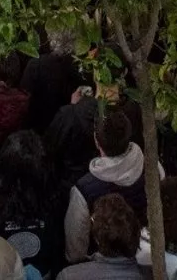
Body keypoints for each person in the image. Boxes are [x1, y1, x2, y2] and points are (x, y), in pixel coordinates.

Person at [63, 111, 149, 263]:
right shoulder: (152, 169)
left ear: (97, 141)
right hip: (144, 255)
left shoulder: (83, 190)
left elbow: (76, 250)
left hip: (102, 261)